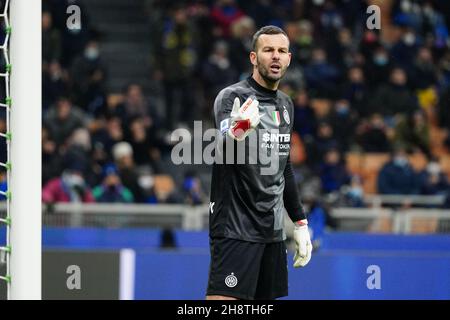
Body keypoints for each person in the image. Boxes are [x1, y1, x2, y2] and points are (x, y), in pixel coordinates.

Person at [206, 25, 312, 301]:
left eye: (281, 51)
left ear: (289, 58)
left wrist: (300, 222)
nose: (275, 57)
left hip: (273, 233)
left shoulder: (286, 106)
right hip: (235, 229)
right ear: (254, 58)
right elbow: (222, 148)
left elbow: (284, 166)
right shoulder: (232, 97)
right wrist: (239, 129)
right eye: (268, 51)